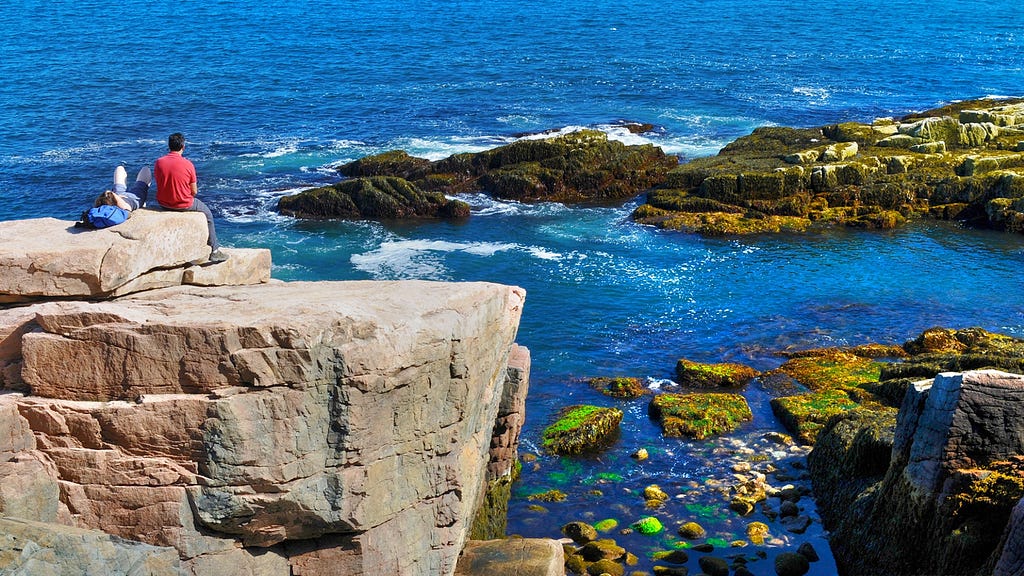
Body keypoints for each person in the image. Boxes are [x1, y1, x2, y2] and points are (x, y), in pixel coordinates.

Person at [154, 132, 228, 263]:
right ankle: (214, 250)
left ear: (169, 146)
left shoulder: (159, 162)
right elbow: (194, 191)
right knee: (209, 215)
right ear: (183, 146)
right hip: (183, 203)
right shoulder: (188, 164)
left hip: (163, 203)